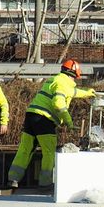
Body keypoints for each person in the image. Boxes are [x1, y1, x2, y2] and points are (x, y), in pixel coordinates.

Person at [7, 59, 96, 189]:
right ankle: (45, 182)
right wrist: (68, 121)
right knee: (48, 152)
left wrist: (87, 93)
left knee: (25, 149)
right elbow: (58, 103)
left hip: (31, 115)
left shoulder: (55, 80)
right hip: (44, 119)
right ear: (74, 75)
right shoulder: (63, 84)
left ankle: (13, 179)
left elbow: (73, 92)